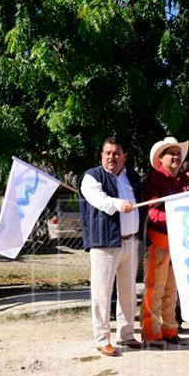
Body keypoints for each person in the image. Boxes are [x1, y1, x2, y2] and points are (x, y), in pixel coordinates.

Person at [79, 136, 143, 356]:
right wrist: (118, 204)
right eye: (108, 153)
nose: (111, 157)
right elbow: (98, 199)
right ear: (102, 155)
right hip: (104, 242)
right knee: (102, 292)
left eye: (116, 153)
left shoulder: (132, 177)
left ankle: (126, 334)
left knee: (128, 291)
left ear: (124, 156)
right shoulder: (91, 177)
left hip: (131, 241)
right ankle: (102, 339)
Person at [141, 136, 189, 346]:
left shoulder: (184, 181)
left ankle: (170, 329)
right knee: (156, 287)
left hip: (178, 241)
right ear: (161, 158)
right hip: (159, 239)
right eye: (172, 153)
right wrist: (177, 219)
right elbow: (152, 212)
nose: (176, 157)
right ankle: (151, 332)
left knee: (171, 289)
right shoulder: (154, 179)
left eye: (178, 153)